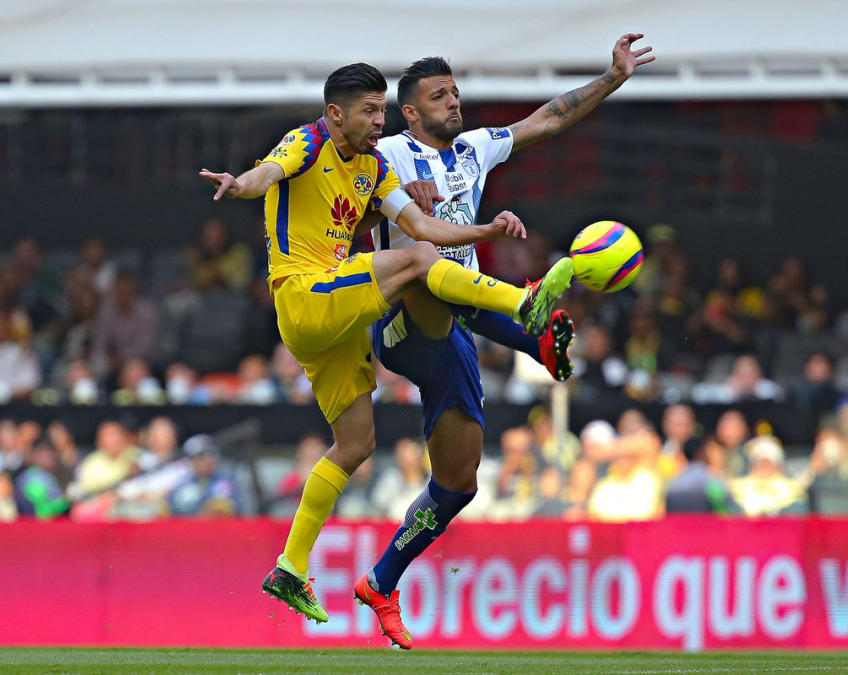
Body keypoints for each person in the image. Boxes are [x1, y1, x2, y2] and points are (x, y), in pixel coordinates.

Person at [199, 63, 574, 626]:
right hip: (303, 294)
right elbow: (268, 174)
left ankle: (290, 567)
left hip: (335, 316)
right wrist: (239, 184)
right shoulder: (306, 141)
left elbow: (426, 230)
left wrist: (486, 232)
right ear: (335, 113)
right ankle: (524, 308)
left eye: (382, 110)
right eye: (369, 111)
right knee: (420, 267)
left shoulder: (373, 166)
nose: (380, 122)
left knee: (355, 443)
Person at [352, 34, 654, 648]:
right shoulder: (382, 154)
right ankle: (530, 331)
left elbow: (547, 119)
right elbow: (341, 213)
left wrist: (612, 78)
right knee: (425, 260)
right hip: (402, 318)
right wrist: (393, 202)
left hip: (456, 329)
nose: (454, 103)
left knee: (459, 484)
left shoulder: (473, 150)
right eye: (440, 96)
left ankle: (380, 583)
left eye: (456, 92)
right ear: (409, 112)